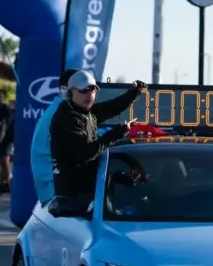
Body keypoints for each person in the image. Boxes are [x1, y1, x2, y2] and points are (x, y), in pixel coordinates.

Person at [49, 70, 146, 201]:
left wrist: (134, 93)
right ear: (70, 93)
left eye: (92, 90)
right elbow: (85, 154)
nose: (89, 95)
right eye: (83, 91)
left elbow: (112, 107)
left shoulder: (86, 112)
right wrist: (114, 134)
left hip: (90, 189)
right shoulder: (67, 118)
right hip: (73, 198)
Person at [32, 68, 79, 205]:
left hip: (54, 192)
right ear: (64, 90)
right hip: (57, 195)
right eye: (81, 89)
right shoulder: (62, 115)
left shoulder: (61, 111)